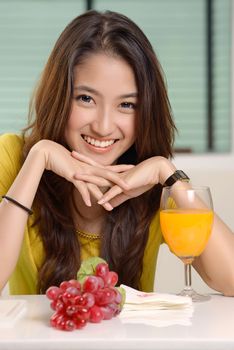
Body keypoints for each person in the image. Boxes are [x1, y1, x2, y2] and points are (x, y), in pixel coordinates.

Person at [0, 10, 233, 296]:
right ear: (59, 96)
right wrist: (38, 159)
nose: (103, 126)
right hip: (34, 342)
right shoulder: (14, 156)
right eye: (86, 98)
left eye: (127, 105)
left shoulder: (154, 183)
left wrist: (167, 173)